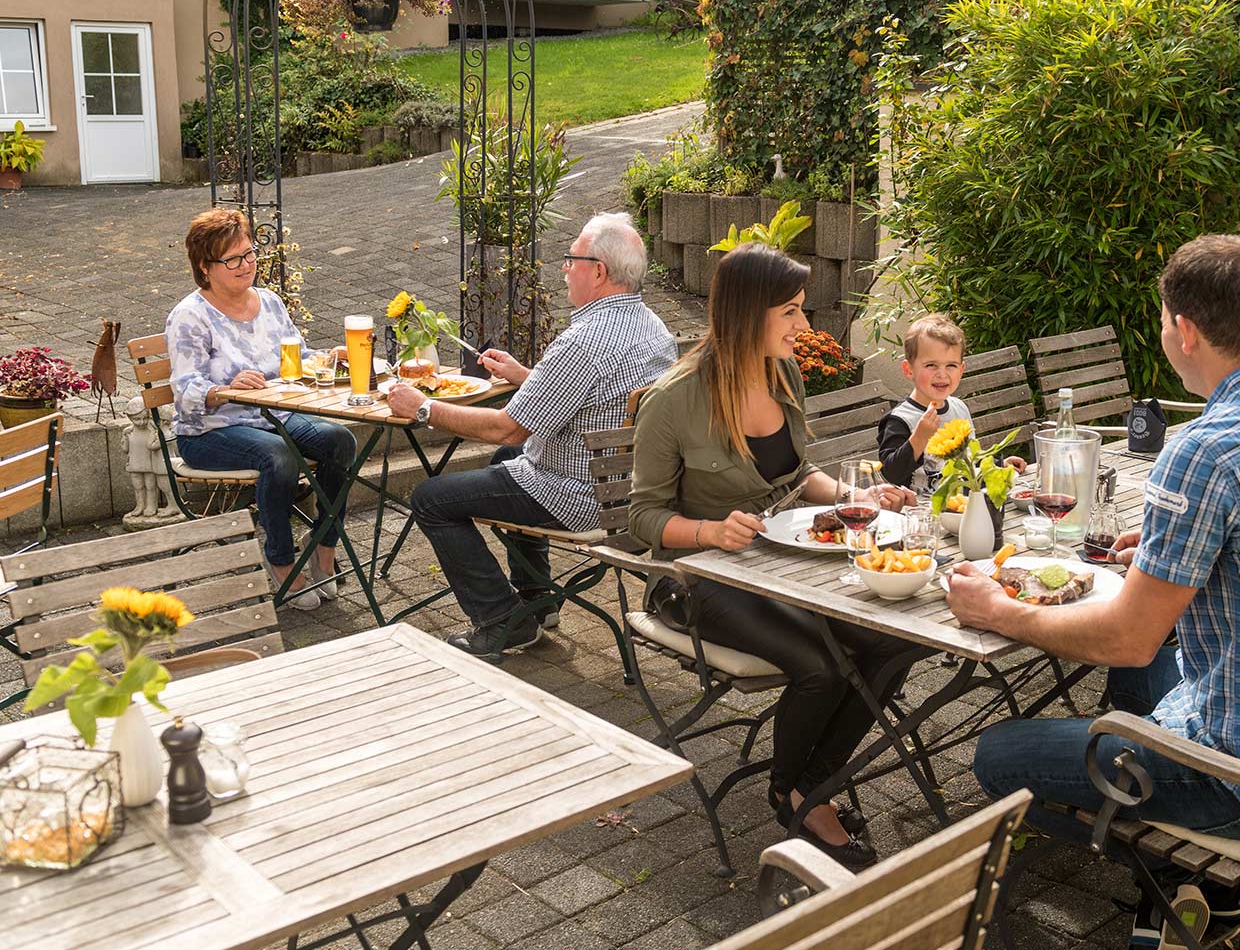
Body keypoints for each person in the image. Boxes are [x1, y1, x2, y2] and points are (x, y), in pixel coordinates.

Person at [946, 234, 1240, 948]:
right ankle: (1197, 898)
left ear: (1185, 332)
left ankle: (1175, 890)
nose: (1165, 333)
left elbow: (1124, 639)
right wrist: (1174, 554)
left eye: (1165, 321)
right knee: (1138, 685)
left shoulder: (1207, 449)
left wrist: (999, 610)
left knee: (999, 754)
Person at [629, 243, 920, 870]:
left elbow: (797, 475)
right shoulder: (672, 400)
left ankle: (817, 775)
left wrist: (855, 498)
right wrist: (710, 533)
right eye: (789, 312)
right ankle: (793, 792)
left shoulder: (781, 373)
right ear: (746, 314)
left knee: (896, 640)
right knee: (821, 666)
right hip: (701, 580)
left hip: (786, 567)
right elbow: (643, 517)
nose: (804, 327)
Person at [389, 212, 676, 659]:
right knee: (508, 460)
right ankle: (537, 601)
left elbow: (507, 425)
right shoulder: (653, 328)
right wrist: (528, 376)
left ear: (598, 271)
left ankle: (504, 620)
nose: (564, 269)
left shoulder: (585, 340)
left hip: (583, 498)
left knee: (432, 498)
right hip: (634, 492)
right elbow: (599, 395)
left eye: (571, 259)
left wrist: (423, 408)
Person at [166, 208, 357, 611]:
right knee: (278, 455)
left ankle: (323, 546)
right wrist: (224, 388)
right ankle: (281, 560)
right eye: (232, 259)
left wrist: (330, 359)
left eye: (250, 254)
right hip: (209, 431)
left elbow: (297, 358)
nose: (246, 265)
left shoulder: (269, 302)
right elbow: (184, 389)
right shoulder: (189, 316)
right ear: (205, 266)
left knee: (340, 440)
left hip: (275, 417)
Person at [877, 313, 1025, 492]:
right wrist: (919, 437)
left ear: (961, 370)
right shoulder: (900, 419)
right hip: (920, 512)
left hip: (964, 506)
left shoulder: (959, 407)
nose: (942, 374)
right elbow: (890, 473)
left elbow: (969, 457)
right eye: (931, 365)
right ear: (909, 370)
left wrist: (999, 464)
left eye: (951, 366)